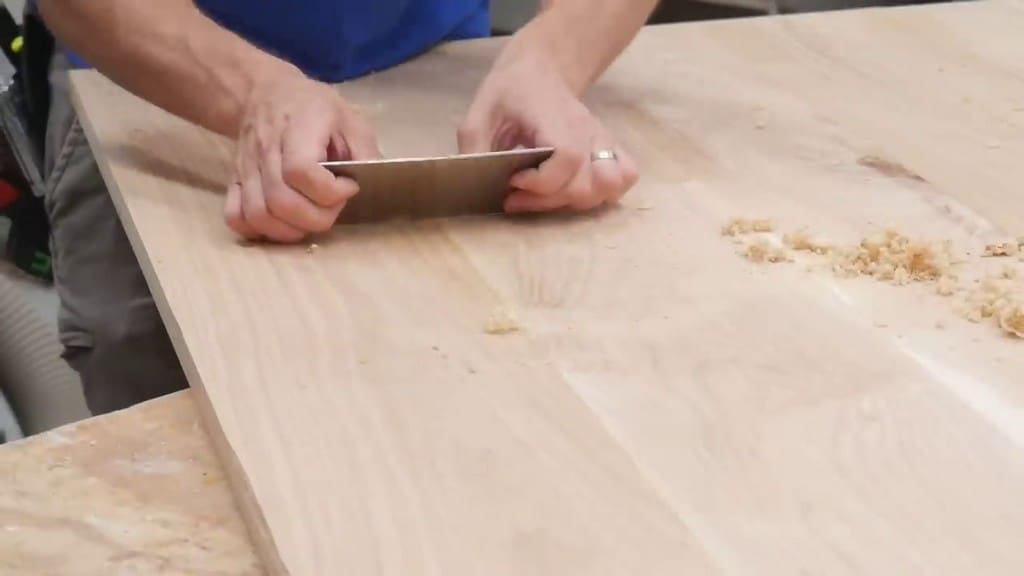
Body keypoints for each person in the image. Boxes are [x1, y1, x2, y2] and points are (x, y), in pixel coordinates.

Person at [34, 0, 656, 415]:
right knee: (153, 374)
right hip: (156, 77)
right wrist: (255, 93)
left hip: (438, 70)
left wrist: (552, 61)